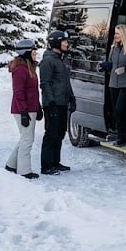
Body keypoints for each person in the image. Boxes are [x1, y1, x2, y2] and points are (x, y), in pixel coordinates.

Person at [39, 30, 75, 175]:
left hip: (62, 102)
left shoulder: (61, 59)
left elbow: (66, 82)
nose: (67, 44)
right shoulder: (48, 61)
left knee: (60, 133)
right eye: (64, 41)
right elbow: (45, 83)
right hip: (53, 104)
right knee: (51, 134)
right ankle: (46, 166)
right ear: (56, 43)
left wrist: (71, 97)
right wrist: (51, 102)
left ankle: (55, 162)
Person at [5, 39, 43, 179]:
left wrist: (38, 107)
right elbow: (18, 92)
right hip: (23, 110)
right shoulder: (20, 69)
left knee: (24, 138)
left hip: (29, 108)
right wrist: (24, 112)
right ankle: (24, 171)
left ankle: (11, 165)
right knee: (27, 140)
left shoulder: (28, 67)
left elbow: (32, 91)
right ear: (26, 53)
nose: (35, 55)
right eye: (33, 53)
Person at [99, 24, 126, 146]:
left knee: (119, 109)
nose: (115, 36)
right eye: (115, 33)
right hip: (113, 83)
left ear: (123, 34)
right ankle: (122, 137)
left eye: (117, 33)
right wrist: (103, 66)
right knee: (116, 111)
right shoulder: (114, 48)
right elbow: (112, 64)